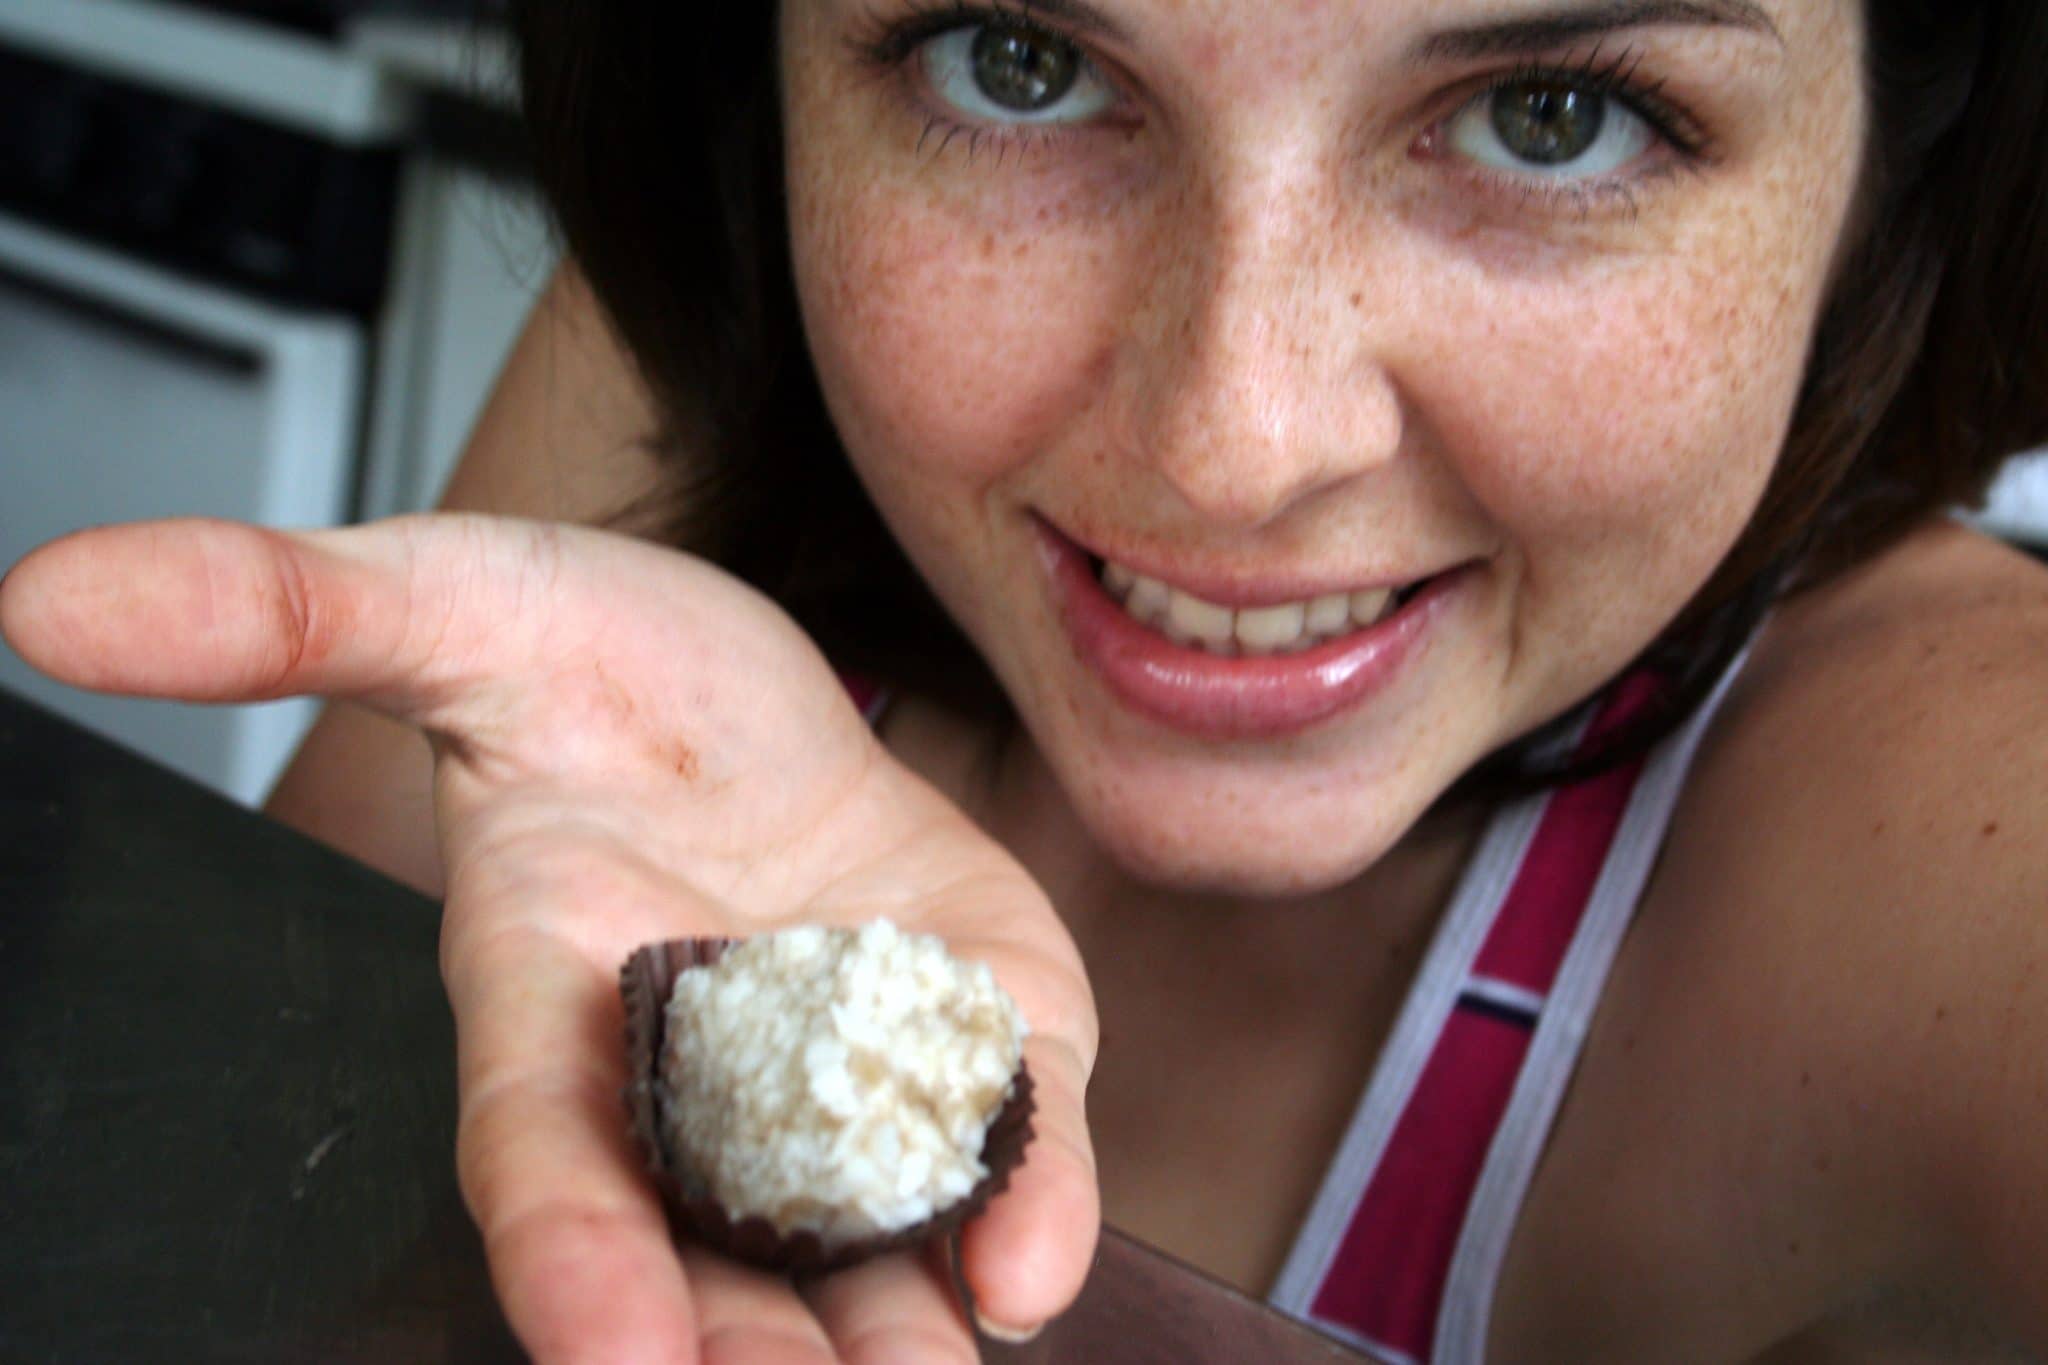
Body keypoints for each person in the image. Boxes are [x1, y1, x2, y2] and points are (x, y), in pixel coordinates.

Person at [4, 0, 2047, 1359]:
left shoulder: (1964, 808)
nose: (1231, 442)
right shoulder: (695, 394)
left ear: (1894, 150)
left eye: (1551, 114)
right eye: (1013, 60)